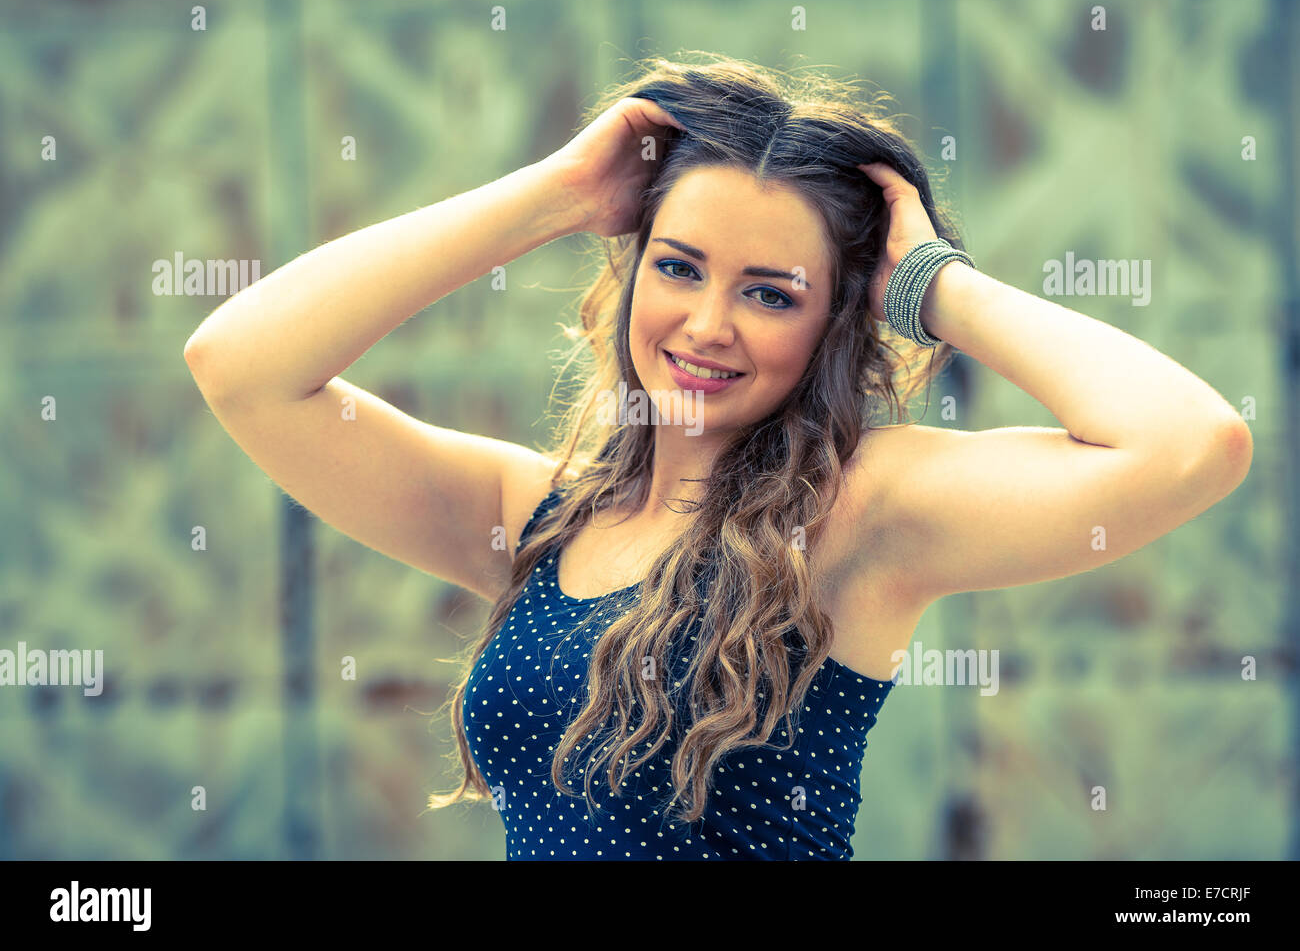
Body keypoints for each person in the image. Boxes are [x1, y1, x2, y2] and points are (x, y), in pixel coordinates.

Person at [183, 53, 1253, 860]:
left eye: (769, 292)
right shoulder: (531, 516)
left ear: (837, 319)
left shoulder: (858, 514)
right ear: (630, 268)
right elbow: (242, 363)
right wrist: (552, 196)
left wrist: (932, 284)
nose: (706, 325)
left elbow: (1190, 443)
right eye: (679, 267)